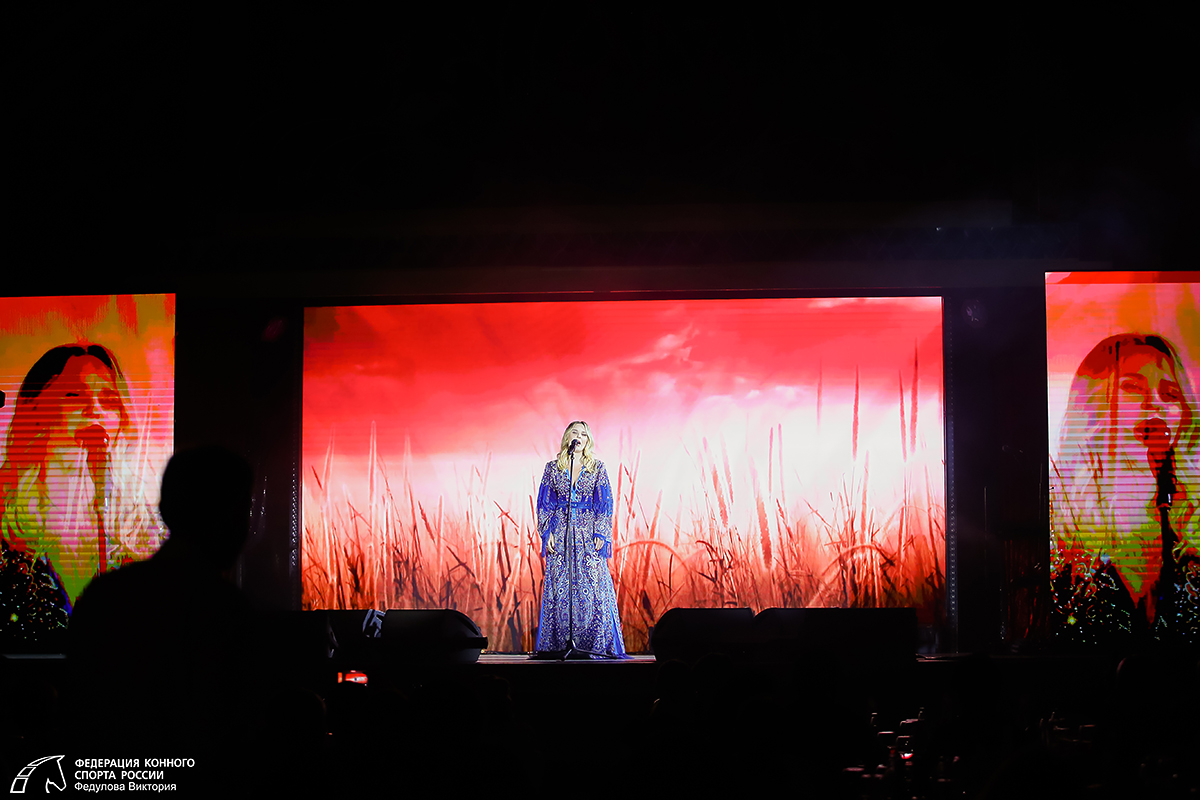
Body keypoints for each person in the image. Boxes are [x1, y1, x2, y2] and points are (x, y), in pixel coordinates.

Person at [0, 344, 161, 645]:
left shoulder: (142, 528)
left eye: (108, 399)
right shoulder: (6, 526)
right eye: (74, 395)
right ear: (35, 410)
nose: (95, 409)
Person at [1051, 333, 1200, 639]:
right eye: (1132, 387)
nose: (1155, 404)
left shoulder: (1191, 531)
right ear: (1094, 405)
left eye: (1170, 393)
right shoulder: (1060, 531)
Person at [535, 420, 627, 657]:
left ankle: (593, 644)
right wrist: (547, 532)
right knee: (560, 587)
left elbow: (604, 502)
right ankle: (560, 645)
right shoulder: (552, 468)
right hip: (561, 533)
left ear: (588, 440)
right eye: (575, 432)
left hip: (588, 533)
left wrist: (601, 532)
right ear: (567, 437)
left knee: (593, 585)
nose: (579, 437)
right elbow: (545, 503)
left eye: (584, 434)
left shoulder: (597, 467)